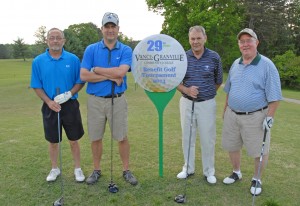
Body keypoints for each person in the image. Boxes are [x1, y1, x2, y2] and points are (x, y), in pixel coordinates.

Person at [222, 28, 282, 195]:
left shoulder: (267, 65)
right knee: (232, 145)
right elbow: (229, 89)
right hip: (232, 114)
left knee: (259, 150)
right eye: (242, 41)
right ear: (239, 45)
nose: (245, 44)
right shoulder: (236, 63)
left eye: (249, 40)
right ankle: (236, 172)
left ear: (257, 43)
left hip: (256, 116)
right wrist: (225, 109)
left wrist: (270, 117)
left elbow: (275, 96)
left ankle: (257, 178)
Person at [80, 12, 138, 186]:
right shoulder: (91, 49)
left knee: (121, 137)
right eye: (107, 27)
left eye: (113, 27)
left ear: (118, 29)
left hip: (118, 99)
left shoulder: (127, 49)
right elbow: (84, 75)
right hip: (95, 100)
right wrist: (109, 76)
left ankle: (126, 170)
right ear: (102, 29)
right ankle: (96, 170)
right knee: (95, 137)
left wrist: (97, 70)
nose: (110, 30)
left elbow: (121, 72)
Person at [30, 28, 85, 182]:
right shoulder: (38, 61)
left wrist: (69, 94)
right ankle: (55, 168)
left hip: (70, 104)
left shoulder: (73, 59)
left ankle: (78, 169)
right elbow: (36, 85)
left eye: (58, 38)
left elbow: (80, 81)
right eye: (52, 38)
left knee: (73, 139)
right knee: (53, 141)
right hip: (50, 105)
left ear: (63, 41)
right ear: (47, 40)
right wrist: (48, 101)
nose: (55, 41)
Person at [176, 25, 223, 184]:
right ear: (189, 40)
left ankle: (209, 171)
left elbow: (218, 81)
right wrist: (187, 90)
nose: (195, 42)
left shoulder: (214, 57)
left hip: (207, 104)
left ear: (205, 38)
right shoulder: (183, 57)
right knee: (187, 137)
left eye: (198, 38)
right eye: (192, 39)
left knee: (207, 138)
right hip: (187, 103)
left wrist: (207, 94)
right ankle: (188, 168)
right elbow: (176, 82)